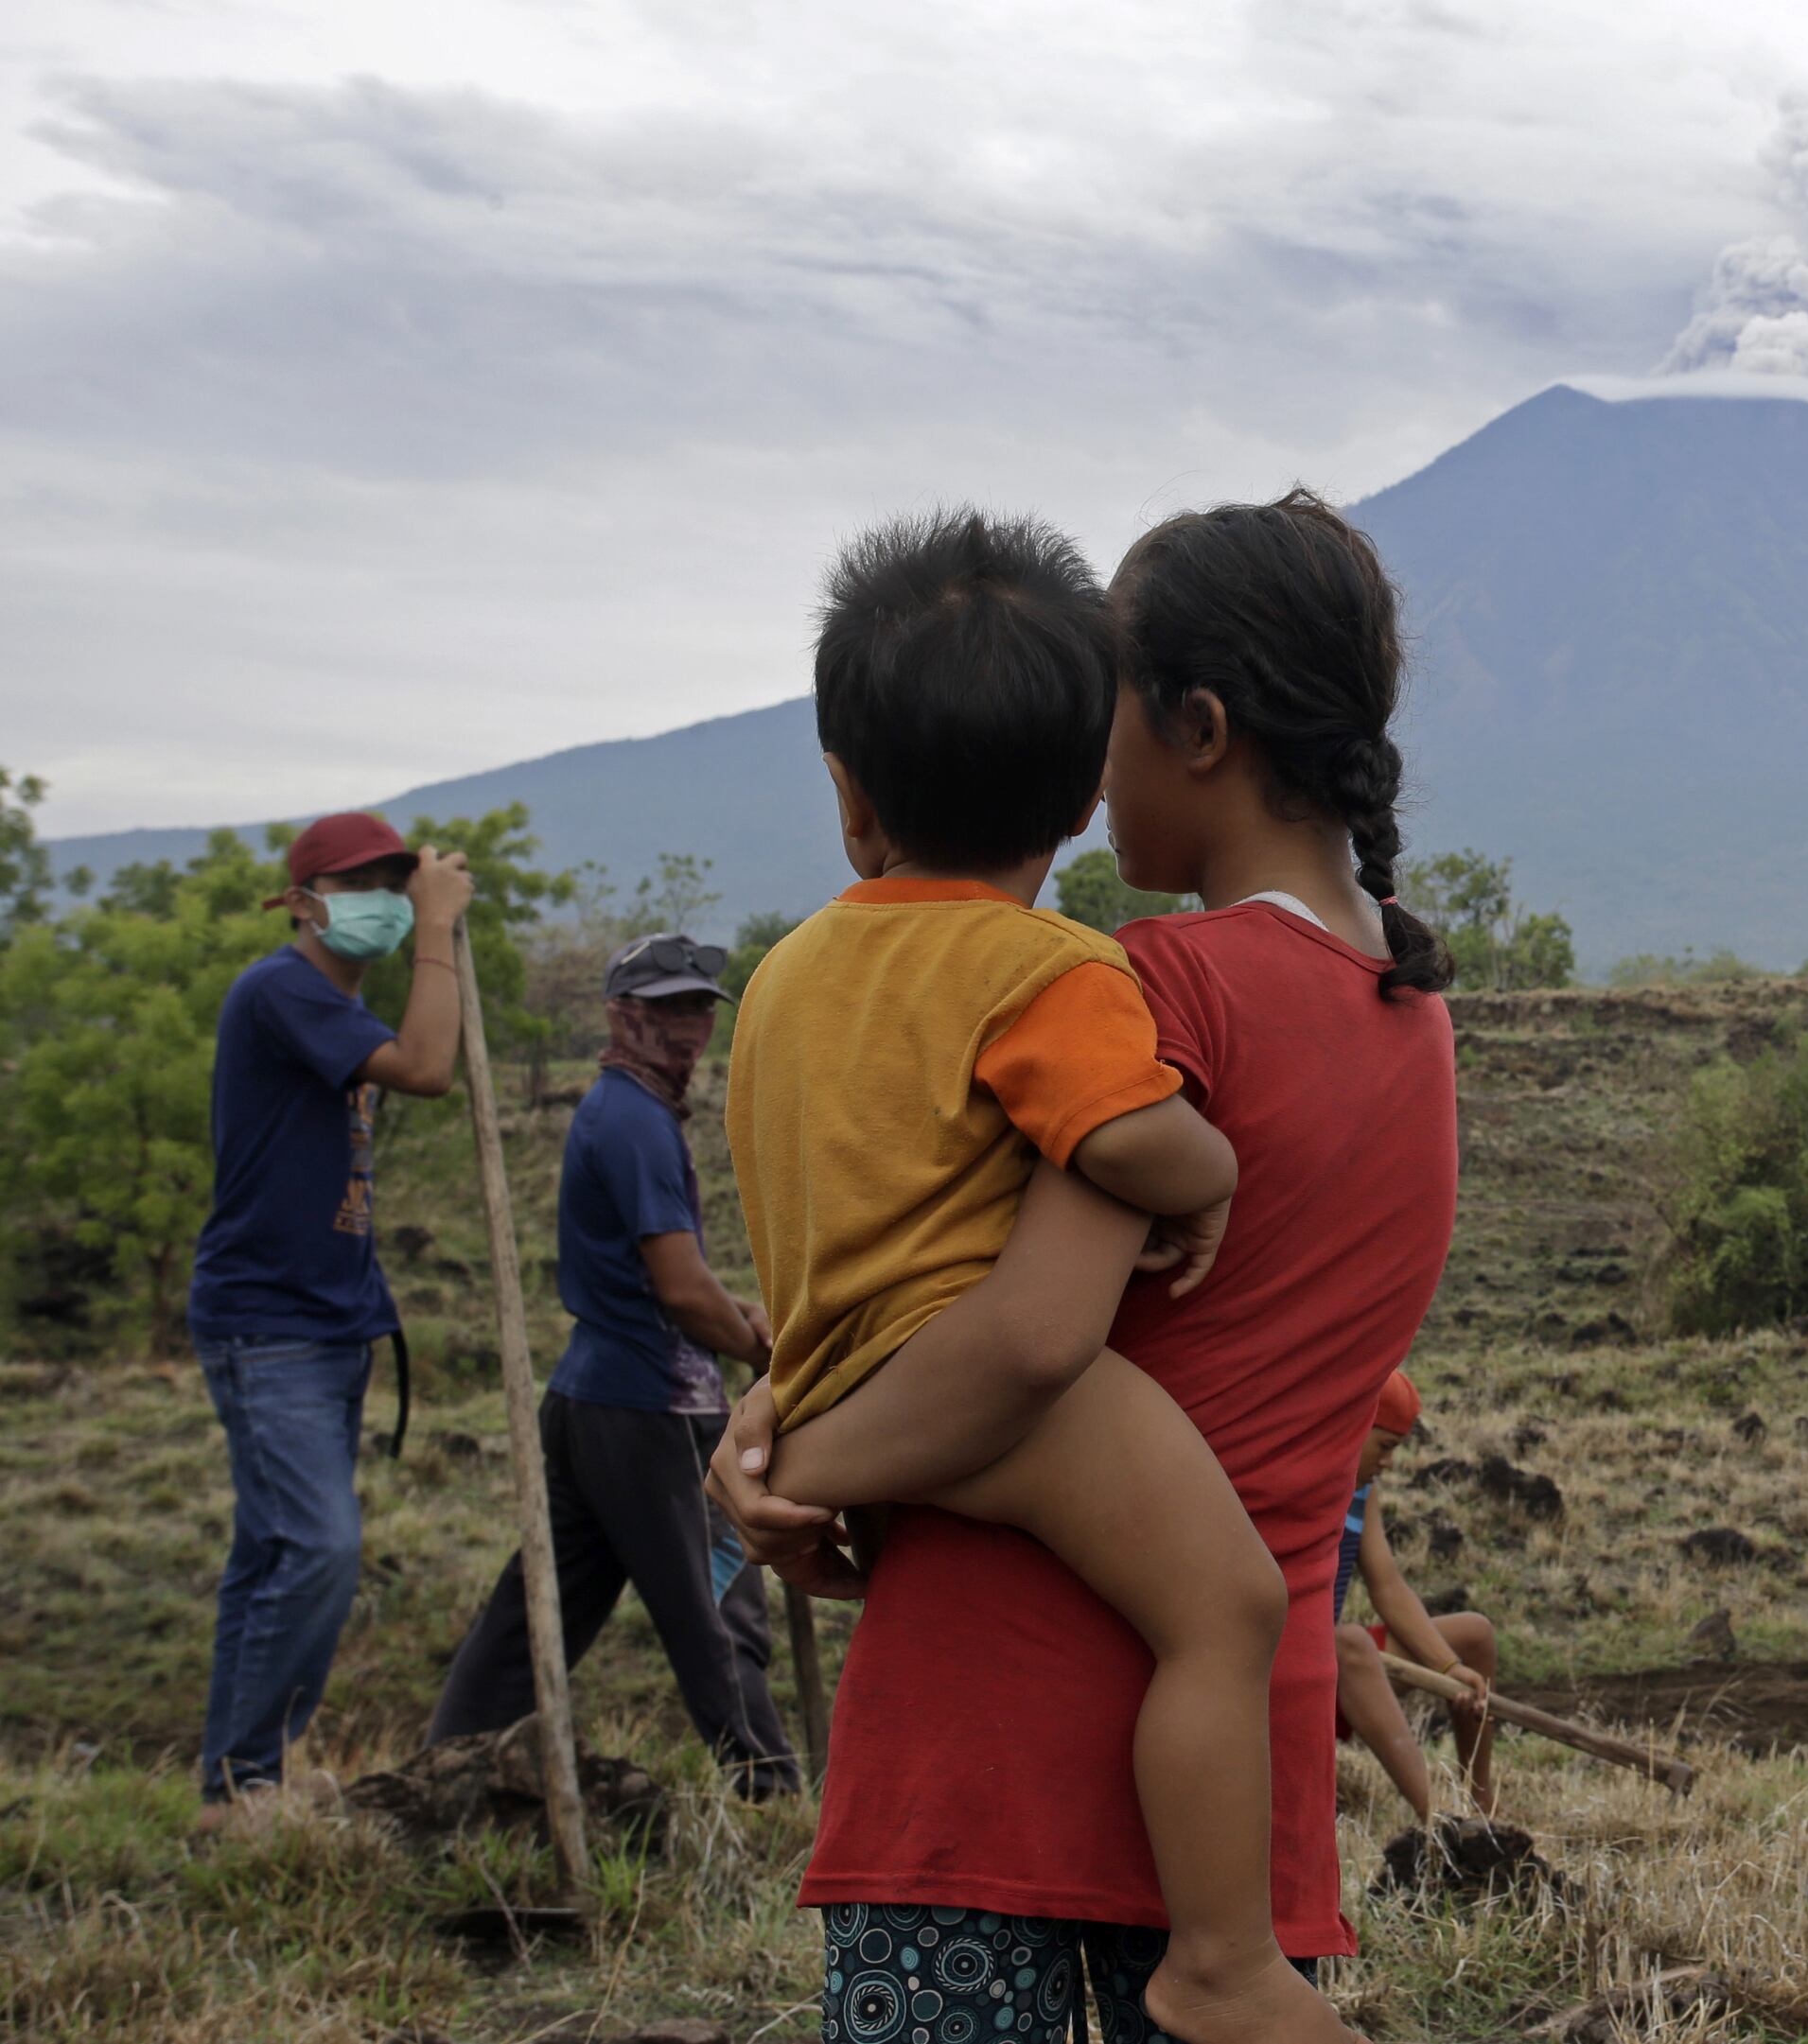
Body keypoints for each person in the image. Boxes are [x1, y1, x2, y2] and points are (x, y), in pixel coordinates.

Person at [711, 488, 1460, 2042]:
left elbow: (1017, 1339)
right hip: (1236, 1812)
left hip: (994, 1770)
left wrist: (787, 1459)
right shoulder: (1413, 1005)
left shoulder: (1142, 992)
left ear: (1196, 725)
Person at [427, 931, 798, 1796]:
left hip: (594, 1397)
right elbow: (676, 1288)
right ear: (620, 1016)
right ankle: (769, 1787)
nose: (687, 1028)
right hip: (648, 1408)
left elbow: (674, 1278)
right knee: (713, 1601)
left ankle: (453, 1757)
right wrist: (754, 1340)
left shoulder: (627, 1109)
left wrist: (736, 1308)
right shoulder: (633, 1121)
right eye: (665, 1008)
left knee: (543, 1604)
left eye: (700, 1008)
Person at [186, 811, 473, 1826]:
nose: (387, 902)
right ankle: (245, 1783)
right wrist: (436, 929)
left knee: (272, 1554)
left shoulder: (327, 1007)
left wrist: (429, 924)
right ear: (304, 902)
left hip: (334, 1318)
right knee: (317, 1548)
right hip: (270, 1321)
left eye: (399, 883)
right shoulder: (281, 989)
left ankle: (239, 1780)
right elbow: (428, 1066)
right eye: (363, 884)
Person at [1335, 1371, 1501, 1825]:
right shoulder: (1305, 1479)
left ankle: (1480, 1807)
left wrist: (1451, 1668)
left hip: (1333, 1666)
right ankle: (1436, 1820)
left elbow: (1387, 1587)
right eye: (1384, 1445)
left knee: (1474, 1634)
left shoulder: (1362, 1490)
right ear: (1351, 1426)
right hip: (1283, 1672)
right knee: (1351, 1643)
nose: (1388, 1462)